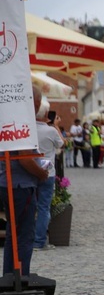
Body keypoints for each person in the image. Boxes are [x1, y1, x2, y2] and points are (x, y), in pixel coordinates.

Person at [0, 85, 50, 275]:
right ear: (34, 102)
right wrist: (41, 173)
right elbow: (24, 158)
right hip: (21, 185)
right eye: (38, 103)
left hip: (10, 182)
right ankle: (20, 276)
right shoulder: (23, 120)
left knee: (13, 233)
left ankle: (11, 276)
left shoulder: (10, 116)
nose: (37, 109)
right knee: (23, 235)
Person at [33, 105, 64, 250]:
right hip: (48, 173)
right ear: (46, 114)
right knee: (44, 208)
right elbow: (62, 144)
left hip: (30, 171)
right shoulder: (51, 131)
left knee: (30, 207)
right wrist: (56, 126)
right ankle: (39, 241)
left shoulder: (29, 129)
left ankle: (29, 239)